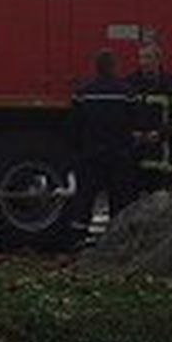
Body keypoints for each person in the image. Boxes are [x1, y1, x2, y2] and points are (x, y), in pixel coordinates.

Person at [67, 49, 137, 247]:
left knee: (85, 197)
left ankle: (78, 238)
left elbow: (73, 125)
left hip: (91, 154)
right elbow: (135, 121)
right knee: (120, 197)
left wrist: (79, 149)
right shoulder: (127, 93)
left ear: (96, 68)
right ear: (114, 67)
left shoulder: (83, 93)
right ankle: (118, 239)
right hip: (119, 155)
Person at [127, 41, 172, 194]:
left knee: (159, 207)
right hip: (135, 159)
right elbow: (121, 116)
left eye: (148, 58)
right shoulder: (129, 83)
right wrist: (131, 133)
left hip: (161, 161)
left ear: (158, 59)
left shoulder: (171, 85)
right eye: (141, 57)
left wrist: (162, 133)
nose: (144, 62)